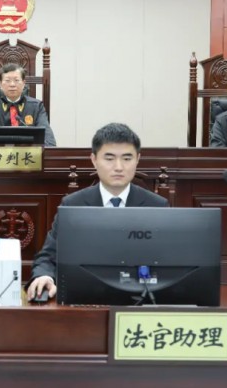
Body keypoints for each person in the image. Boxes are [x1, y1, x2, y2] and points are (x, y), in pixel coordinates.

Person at [26, 123, 169, 301]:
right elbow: (48, 256)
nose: (118, 167)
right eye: (109, 158)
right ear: (94, 159)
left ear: (138, 159)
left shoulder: (156, 206)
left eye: (127, 158)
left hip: (140, 297)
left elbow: (169, 261)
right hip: (86, 297)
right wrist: (44, 276)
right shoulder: (73, 205)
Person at [0, 63, 57, 146]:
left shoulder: (37, 107)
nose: (12, 85)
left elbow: (49, 141)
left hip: (28, 153)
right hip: (0, 153)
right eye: (7, 81)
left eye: (16, 80)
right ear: (0, 84)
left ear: (24, 83)